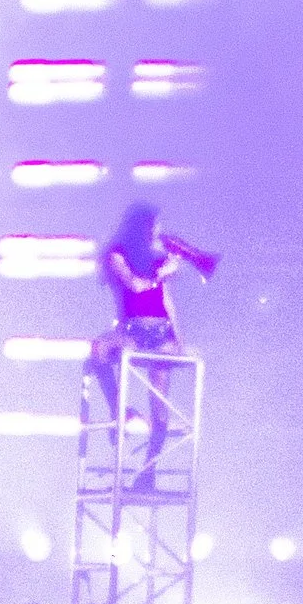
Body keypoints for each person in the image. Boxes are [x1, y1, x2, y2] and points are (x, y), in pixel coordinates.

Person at [86, 200, 217, 477]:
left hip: (160, 331)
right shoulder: (117, 254)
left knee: (160, 410)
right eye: (154, 226)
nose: (158, 231)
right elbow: (134, 284)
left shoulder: (158, 258)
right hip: (132, 330)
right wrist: (160, 275)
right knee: (98, 351)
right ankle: (119, 409)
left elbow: (167, 302)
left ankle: (149, 470)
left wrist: (179, 339)